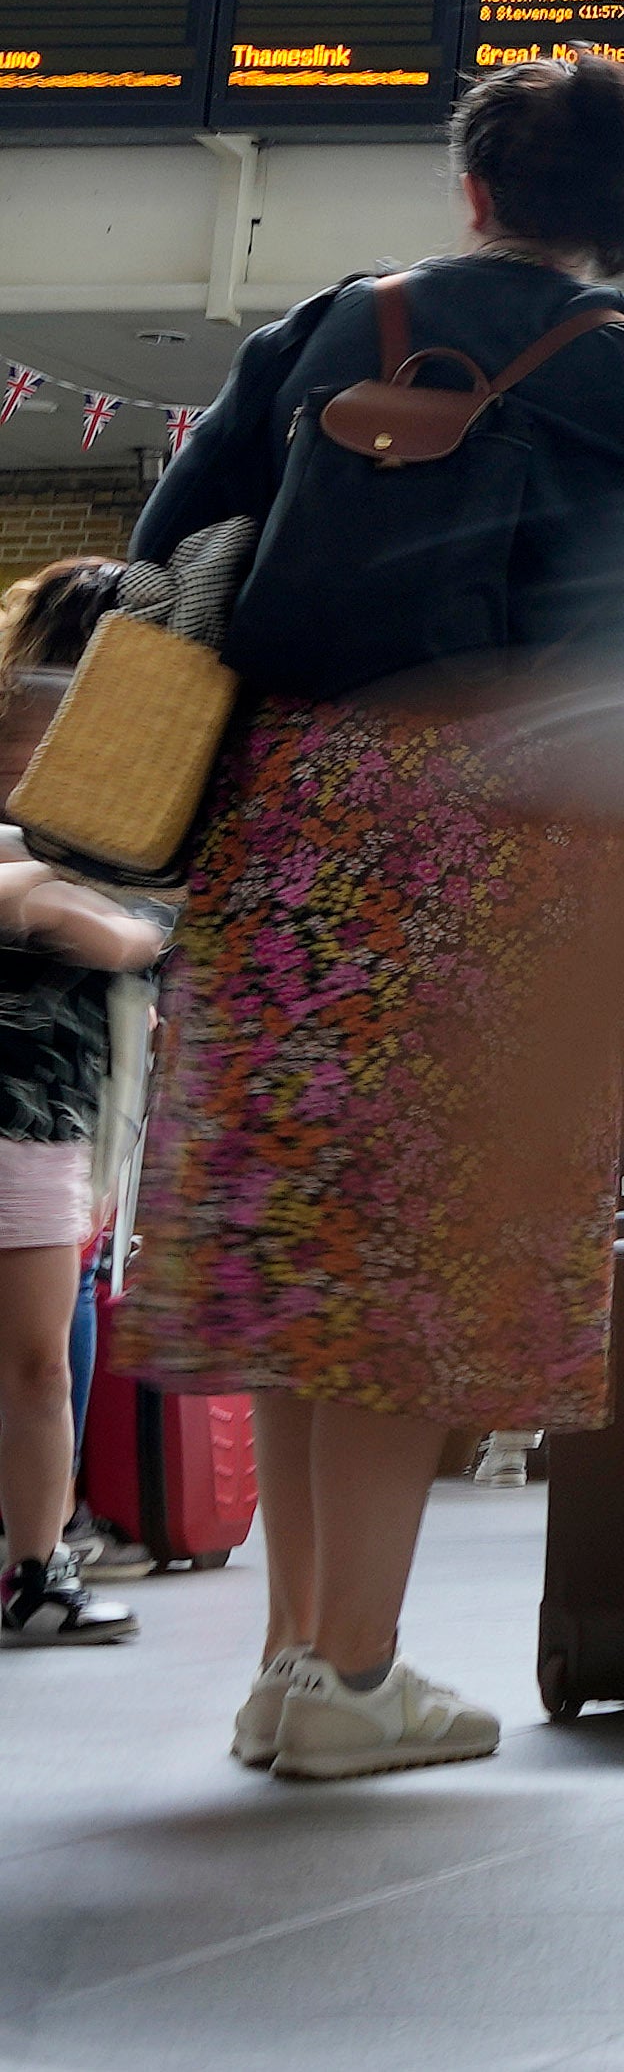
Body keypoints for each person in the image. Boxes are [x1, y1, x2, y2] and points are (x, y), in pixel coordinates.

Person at [113, 54, 624, 1778]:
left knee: (311, 1251)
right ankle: (357, 1680)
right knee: (412, 1257)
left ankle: (299, 1663)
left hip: (280, 821)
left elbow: (167, 556)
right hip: (498, 837)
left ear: (473, 189)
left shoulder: (322, 324)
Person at [1, 559, 167, 1649]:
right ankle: (38, 1565)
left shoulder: (139, 771)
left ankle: (38, 1563)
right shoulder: (109, 755)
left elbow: (141, 927)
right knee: (38, 1352)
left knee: (41, 1350)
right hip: (47, 1102)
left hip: (47, 1102)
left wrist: (58, 903)